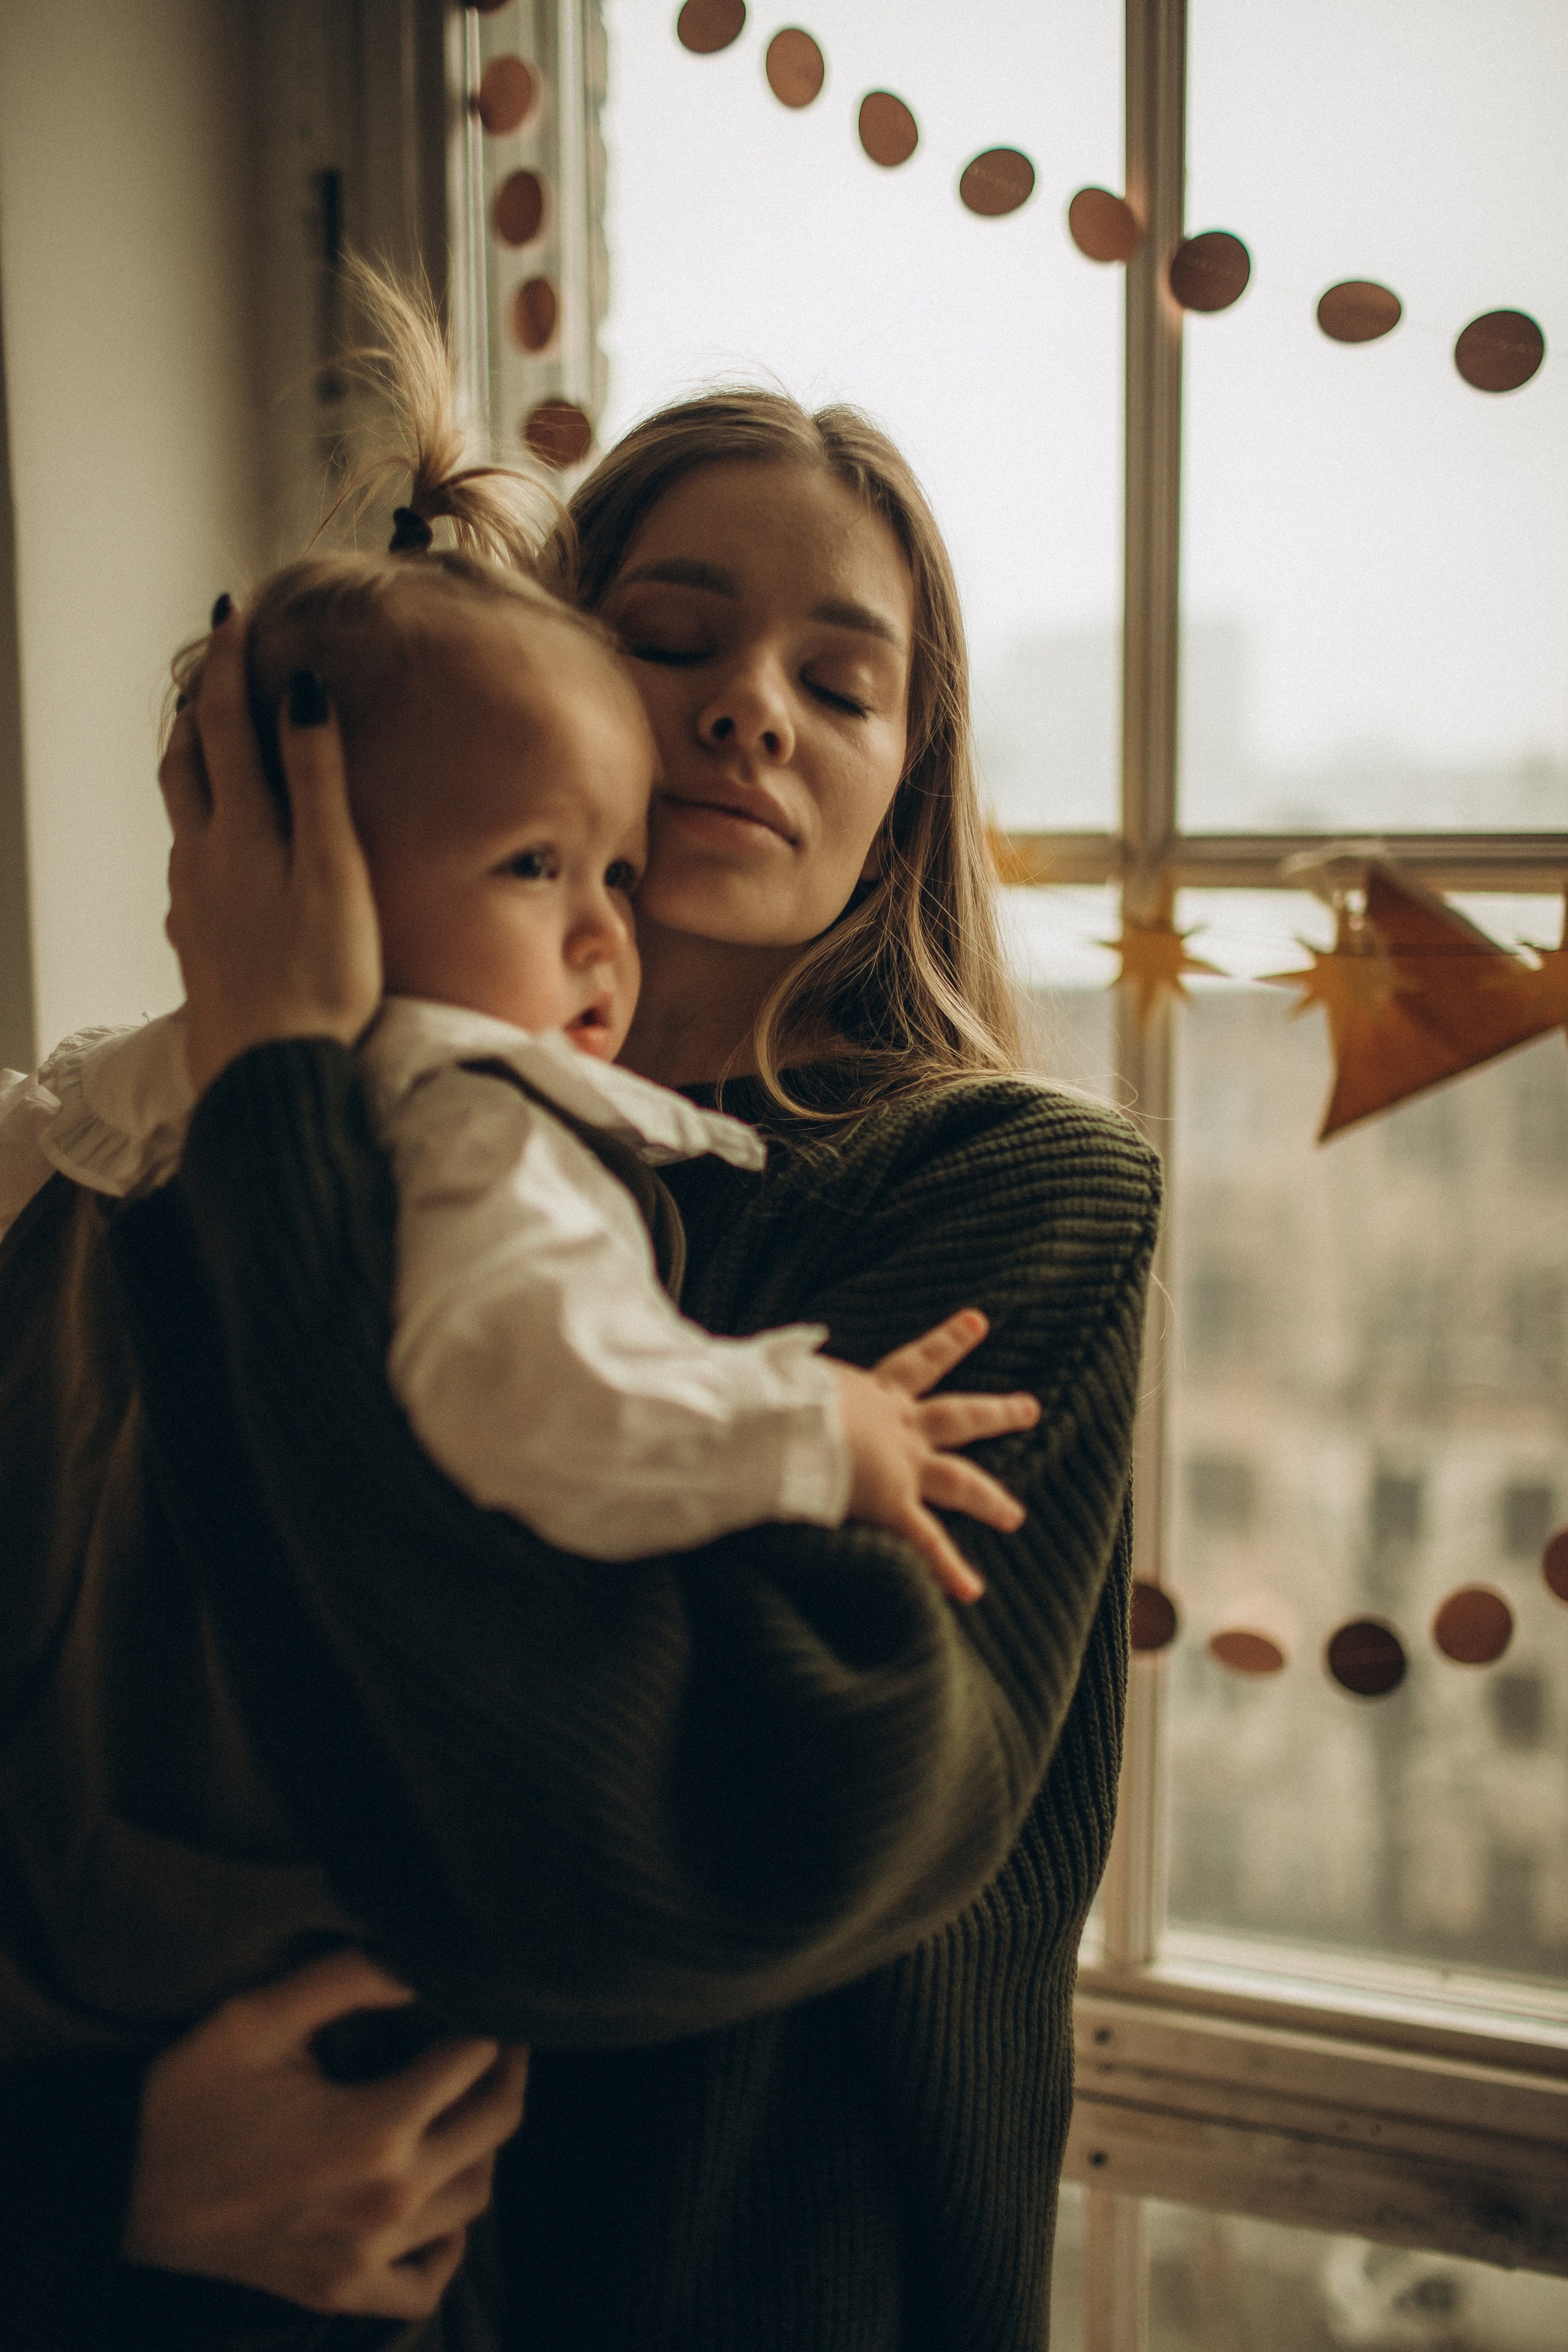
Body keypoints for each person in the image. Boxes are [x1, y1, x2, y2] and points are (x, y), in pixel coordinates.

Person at [1, 336, 1160, 2352]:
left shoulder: (1004, 1196)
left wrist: (289, 1098)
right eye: (670, 635)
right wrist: (102, 2179)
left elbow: (644, 1879)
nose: (744, 710)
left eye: (843, 680)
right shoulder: (159, 1158)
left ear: (910, 796)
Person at [1, 536, 1038, 1583]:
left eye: (618, 873)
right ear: (312, 854)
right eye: (537, 864)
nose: (603, 933)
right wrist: (817, 1430)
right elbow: (547, 1394)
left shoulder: (113, 1092)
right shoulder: (480, 1118)